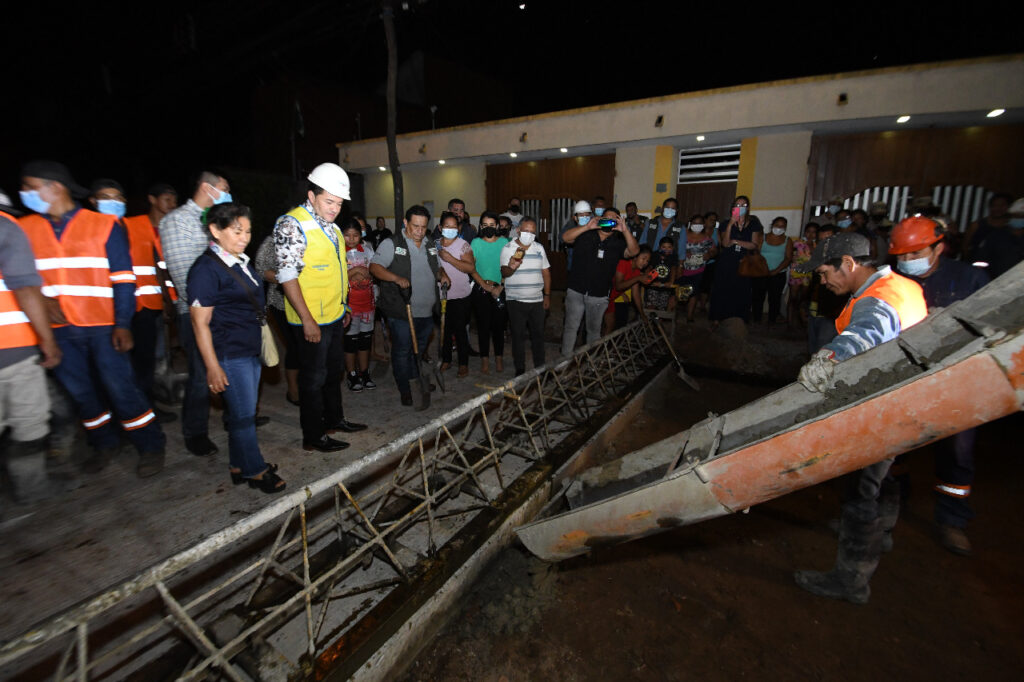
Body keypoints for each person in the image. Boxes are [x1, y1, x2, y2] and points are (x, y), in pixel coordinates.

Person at [792, 232, 928, 604]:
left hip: (885, 408)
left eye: (824, 273)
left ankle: (851, 579)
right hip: (908, 400)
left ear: (848, 263)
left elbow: (869, 331)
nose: (823, 281)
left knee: (858, 490)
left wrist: (829, 357)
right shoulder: (902, 285)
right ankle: (881, 532)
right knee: (888, 474)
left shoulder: (878, 299)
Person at [20, 160, 166, 477]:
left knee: (121, 388)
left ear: (55, 186)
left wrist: (123, 323)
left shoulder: (102, 225)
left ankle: (151, 446)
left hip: (102, 325)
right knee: (81, 394)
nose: (25, 193)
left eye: (31, 187)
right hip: (57, 330)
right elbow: (22, 280)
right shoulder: (26, 229)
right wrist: (43, 301)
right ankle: (103, 443)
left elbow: (124, 279)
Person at [890, 216, 989, 555]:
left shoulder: (970, 279)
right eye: (900, 256)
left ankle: (952, 518)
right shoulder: (893, 282)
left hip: (957, 381)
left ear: (938, 247)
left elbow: (989, 327)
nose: (906, 262)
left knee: (957, 452)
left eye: (914, 253)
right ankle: (892, 500)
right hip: (904, 379)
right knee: (891, 445)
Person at [187, 203, 285, 494]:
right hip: (230, 353)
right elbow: (199, 324)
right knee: (244, 418)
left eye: (248, 231)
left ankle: (238, 465)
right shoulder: (205, 269)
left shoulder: (238, 260)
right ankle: (255, 470)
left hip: (247, 348)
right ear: (216, 230)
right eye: (237, 231)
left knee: (240, 413)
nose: (244, 237)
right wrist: (213, 366)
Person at [274, 163, 366, 452]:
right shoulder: (291, 224)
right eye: (329, 201)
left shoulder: (333, 227)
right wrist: (307, 320)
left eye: (339, 203)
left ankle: (335, 419)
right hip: (310, 320)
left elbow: (337, 271)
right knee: (312, 379)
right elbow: (287, 276)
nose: (334, 208)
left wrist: (345, 306)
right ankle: (313, 435)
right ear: (312, 195)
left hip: (335, 315)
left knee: (333, 371)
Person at [160, 169, 232, 456]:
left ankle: (234, 417)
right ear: (208, 188)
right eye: (224, 188)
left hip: (225, 310)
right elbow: (184, 275)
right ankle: (195, 432)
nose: (228, 192)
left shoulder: (217, 220)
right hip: (196, 312)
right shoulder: (176, 221)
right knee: (202, 375)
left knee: (229, 366)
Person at [0, 194, 62, 505]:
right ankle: (32, 491)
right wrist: (47, 341)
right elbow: (25, 287)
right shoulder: (7, 228)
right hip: (12, 350)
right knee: (28, 422)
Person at [370, 205, 451, 406]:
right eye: (415, 226)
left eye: (423, 227)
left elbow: (437, 268)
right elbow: (374, 267)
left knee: (419, 348)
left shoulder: (430, 243)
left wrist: (443, 275)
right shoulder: (392, 243)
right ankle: (405, 388)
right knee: (403, 350)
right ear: (405, 223)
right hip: (401, 309)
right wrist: (396, 278)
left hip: (426, 310)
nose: (419, 231)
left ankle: (417, 380)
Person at [112, 181, 179, 423]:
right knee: (138, 361)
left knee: (153, 358)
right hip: (135, 305)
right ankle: (140, 409)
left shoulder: (171, 229)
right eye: (167, 199)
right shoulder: (130, 225)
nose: (172, 204)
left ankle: (147, 404)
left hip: (160, 305)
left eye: (174, 200)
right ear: (152, 199)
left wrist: (170, 301)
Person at [560, 207, 640, 355]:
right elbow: (565, 238)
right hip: (576, 290)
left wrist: (625, 230)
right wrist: (587, 226)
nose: (609, 222)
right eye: (606, 218)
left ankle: (591, 364)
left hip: (599, 294)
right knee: (571, 328)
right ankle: (563, 363)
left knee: (594, 331)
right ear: (600, 219)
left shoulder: (618, 243)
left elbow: (634, 251)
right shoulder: (585, 234)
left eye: (613, 219)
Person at [501, 217, 551, 376]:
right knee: (518, 337)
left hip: (536, 301)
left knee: (538, 336)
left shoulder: (539, 248)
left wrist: (547, 295)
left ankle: (541, 368)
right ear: (518, 230)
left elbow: (546, 273)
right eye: (526, 231)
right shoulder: (508, 248)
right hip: (515, 301)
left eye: (532, 232)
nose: (528, 234)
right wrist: (512, 267)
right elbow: (504, 273)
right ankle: (520, 369)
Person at [254, 234, 300, 404]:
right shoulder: (273, 240)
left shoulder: (311, 236)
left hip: (309, 302)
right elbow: (260, 269)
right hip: (281, 302)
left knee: (307, 346)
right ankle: (293, 391)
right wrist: (286, 278)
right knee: (294, 346)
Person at [709, 196, 763, 327]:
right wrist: (730, 224)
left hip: (744, 262)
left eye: (743, 205)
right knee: (721, 289)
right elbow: (725, 244)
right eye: (737, 205)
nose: (740, 208)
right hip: (727, 261)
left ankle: (739, 318)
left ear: (748, 208)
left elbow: (754, 244)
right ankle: (717, 317)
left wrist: (737, 241)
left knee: (741, 290)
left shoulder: (753, 224)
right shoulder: (725, 224)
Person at [339, 218, 377, 392]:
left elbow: (376, 270)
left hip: (367, 304)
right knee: (351, 343)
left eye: (355, 235)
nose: (352, 239)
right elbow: (336, 277)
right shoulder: (339, 252)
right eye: (347, 235)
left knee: (365, 341)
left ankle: (364, 372)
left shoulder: (367, 250)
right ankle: (352, 374)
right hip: (350, 306)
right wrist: (354, 271)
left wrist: (365, 272)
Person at [436, 211, 475, 377]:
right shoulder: (436, 244)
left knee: (460, 330)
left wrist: (450, 258)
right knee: (445, 329)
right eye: (447, 226)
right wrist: (441, 270)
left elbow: (470, 268)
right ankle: (446, 359)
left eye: (454, 227)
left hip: (460, 296)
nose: (450, 229)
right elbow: (434, 266)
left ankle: (463, 363)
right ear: (440, 227)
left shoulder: (463, 245)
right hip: (442, 295)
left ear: (458, 228)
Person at [470, 211, 509, 374]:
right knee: (483, 326)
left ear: (498, 226)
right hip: (481, 289)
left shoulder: (505, 242)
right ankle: (484, 359)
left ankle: (499, 357)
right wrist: (485, 286)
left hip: (500, 288)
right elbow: (471, 268)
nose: (488, 228)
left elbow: (509, 268)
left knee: (499, 326)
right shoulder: (475, 243)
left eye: (492, 225)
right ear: (480, 226)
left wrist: (500, 286)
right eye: (485, 225)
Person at [751, 216, 793, 326]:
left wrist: (776, 271)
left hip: (778, 274)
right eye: (777, 225)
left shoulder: (788, 240)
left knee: (774, 299)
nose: (779, 228)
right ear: (772, 225)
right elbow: (756, 254)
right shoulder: (762, 237)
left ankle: (772, 320)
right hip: (761, 272)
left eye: (782, 226)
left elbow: (788, 258)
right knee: (758, 297)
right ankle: (757, 319)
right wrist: (763, 268)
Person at [972, 197, 1024, 279]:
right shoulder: (996, 235)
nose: (1019, 219)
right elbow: (981, 259)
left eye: (1022, 217)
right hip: (997, 280)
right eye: (1016, 216)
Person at [677, 214, 716, 322]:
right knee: (681, 293)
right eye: (695, 223)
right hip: (682, 269)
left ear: (703, 225)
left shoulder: (707, 238)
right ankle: (676, 312)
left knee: (694, 293)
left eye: (700, 223)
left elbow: (714, 251)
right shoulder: (683, 235)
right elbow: (675, 247)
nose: (697, 225)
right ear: (690, 224)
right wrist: (684, 253)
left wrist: (709, 254)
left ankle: (690, 315)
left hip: (697, 271)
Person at [608, 246, 652, 330]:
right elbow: (618, 286)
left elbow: (636, 294)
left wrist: (642, 314)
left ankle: (603, 343)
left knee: (609, 326)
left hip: (610, 299)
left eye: (647, 261)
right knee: (605, 326)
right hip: (601, 296)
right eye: (643, 258)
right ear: (635, 257)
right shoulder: (623, 263)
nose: (645, 263)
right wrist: (638, 278)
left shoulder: (636, 271)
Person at [963, 193, 1011, 263]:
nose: (998, 208)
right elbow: (965, 246)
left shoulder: (1013, 227)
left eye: (1002, 205)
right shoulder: (976, 225)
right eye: (994, 205)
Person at [787, 222, 818, 327]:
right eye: (808, 232)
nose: (810, 234)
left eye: (814, 232)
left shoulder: (817, 245)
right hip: (796, 273)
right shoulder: (797, 243)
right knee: (793, 298)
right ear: (805, 232)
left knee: (803, 298)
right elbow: (789, 254)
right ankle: (790, 322)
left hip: (808, 274)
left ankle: (799, 319)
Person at [646, 237, 679, 313]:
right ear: (659, 247)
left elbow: (674, 269)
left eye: (669, 247)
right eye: (664, 247)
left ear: (673, 248)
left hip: (666, 286)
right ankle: (650, 321)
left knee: (662, 306)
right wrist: (649, 280)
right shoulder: (654, 254)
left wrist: (671, 282)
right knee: (651, 304)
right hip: (653, 285)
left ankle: (659, 322)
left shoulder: (673, 256)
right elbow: (650, 267)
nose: (666, 249)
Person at [558, 200, 592, 269]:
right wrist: (585, 227)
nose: (585, 217)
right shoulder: (571, 228)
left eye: (587, 215)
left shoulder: (594, 229)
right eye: (581, 215)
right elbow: (563, 238)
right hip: (574, 269)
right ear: (575, 217)